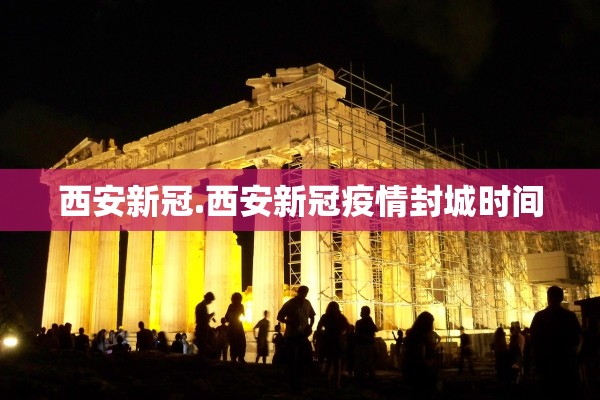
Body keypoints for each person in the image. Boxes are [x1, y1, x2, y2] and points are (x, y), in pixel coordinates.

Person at [530, 286, 582, 397]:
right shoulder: (570, 316)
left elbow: (533, 340)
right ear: (561, 298)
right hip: (566, 363)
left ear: (548, 298)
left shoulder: (539, 317)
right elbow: (577, 338)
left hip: (546, 364)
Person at [277, 285, 316, 390]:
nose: (305, 295)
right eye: (303, 293)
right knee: (292, 358)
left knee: (302, 358)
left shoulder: (307, 303)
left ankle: (299, 380)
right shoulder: (290, 303)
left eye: (306, 293)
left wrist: (310, 326)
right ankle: (292, 381)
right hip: (292, 335)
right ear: (299, 292)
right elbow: (279, 316)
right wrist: (289, 322)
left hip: (303, 335)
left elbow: (312, 316)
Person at [403, 312, 439, 398]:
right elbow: (421, 358)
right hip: (422, 374)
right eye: (431, 323)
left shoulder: (413, 335)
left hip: (412, 372)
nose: (432, 326)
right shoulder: (421, 338)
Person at [315, 301, 350, 389]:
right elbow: (348, 327)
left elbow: (318, 327)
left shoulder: (325, 316)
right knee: (336, 363)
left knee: (329, 362)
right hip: (336, 340)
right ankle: (336, 383)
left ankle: (327, 381)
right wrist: (343, 335)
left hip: (328, 340)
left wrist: (322, 334)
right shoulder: (340, 317)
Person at [353, 306, 378, 382]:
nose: (360, 312)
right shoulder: (369, 321)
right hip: (368, 344)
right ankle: (370, 377)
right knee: (368, 362)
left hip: (362, 344)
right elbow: (375, 329)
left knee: (361, 362)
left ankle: (361, 377)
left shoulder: (359, 322)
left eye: (361, 311)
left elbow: (357, 333)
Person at [225, 292, 246, 363]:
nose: (240, 301)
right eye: (239, 299)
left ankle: (239, 357)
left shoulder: (239, 306)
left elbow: (243, 314)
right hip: (234, 326)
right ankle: (235, 358)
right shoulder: (232, 306)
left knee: (240, 342)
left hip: (237, 326)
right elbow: (227, 316)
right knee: (235, 342)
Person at [195, 292, 216, 357]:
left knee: (201, 346)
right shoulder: (202, 306)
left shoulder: (200, 305)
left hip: (201, 328)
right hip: (202, 329)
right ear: (208, 299)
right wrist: (210, 315)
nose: (211, 302)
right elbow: (203, 318)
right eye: (211, 301)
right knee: (202, 346)